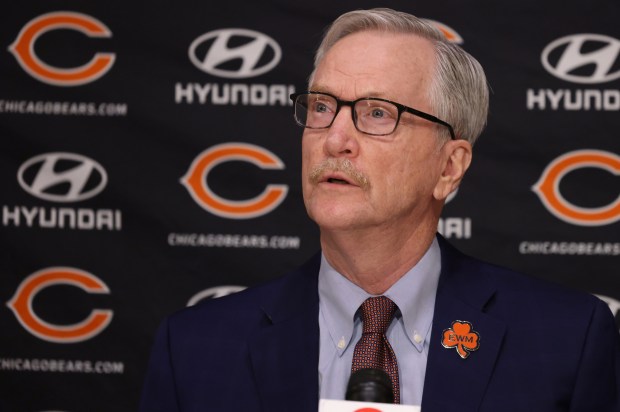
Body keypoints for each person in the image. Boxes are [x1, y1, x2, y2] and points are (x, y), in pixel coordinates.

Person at [139, 8, 620, 411]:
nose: (335, 139)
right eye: (322, 106)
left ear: (449, 167)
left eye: (376, 113)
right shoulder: (194, 350)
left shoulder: (567, 341)